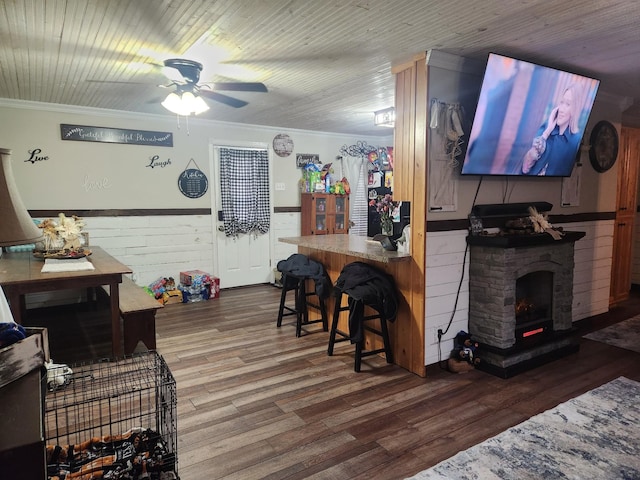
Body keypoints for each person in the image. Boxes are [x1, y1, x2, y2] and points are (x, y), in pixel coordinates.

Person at [522, 84, 582, 176]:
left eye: (568, 104)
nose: (561, 109)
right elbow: (525, 168)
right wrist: (547, 132)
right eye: (562, 102)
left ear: (575, 109)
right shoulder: (546, 127)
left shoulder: (575, 141)